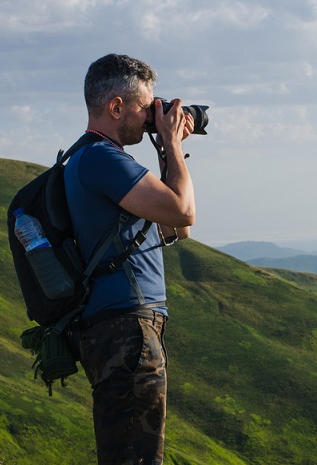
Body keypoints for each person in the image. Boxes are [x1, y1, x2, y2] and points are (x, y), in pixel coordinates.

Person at [63, 53, 196, 464]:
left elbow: (176, 230)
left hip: (121, 328)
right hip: (127, 330)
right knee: (136, 458)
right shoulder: (103, 159)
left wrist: (164, 151)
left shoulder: (85, 159)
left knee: (128, 452)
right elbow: (183, 211)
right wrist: (172, 142)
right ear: (116, 106)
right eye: (145, 107)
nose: (151, 117)